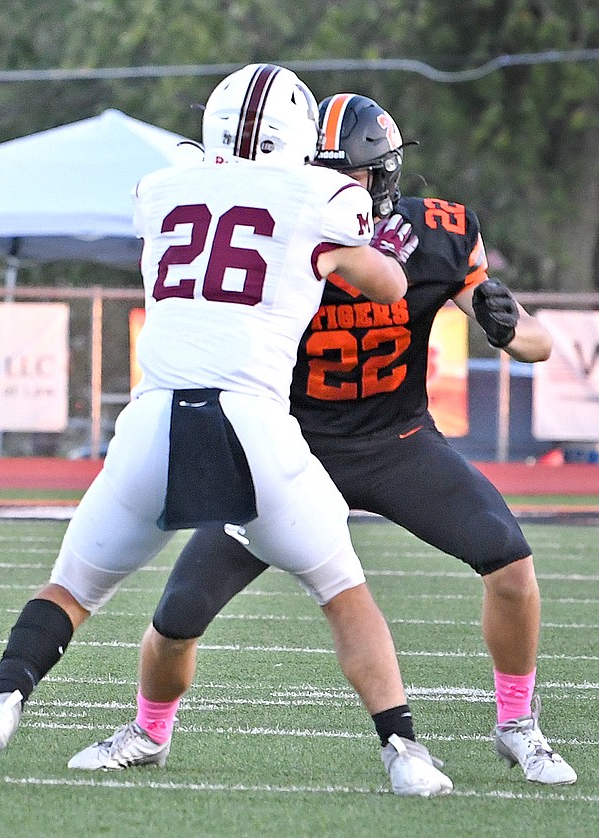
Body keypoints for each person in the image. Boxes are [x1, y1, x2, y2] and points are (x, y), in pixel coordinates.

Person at [0, 64, 452, 796]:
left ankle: (2, 700)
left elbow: (215, 195)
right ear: (297, 138)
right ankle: (404, 752)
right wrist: (387, 250)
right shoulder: (322, 196)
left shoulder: (162, 186)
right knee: (342, 592)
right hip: (253, 425)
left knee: (71, 589)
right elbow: (387, 285)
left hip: (152, 421)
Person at [71, 93, 576, 786]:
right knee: (179, 612)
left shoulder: (440, 234)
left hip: (398, 443)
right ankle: (149, 731)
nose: (342, 187)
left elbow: (537, 345)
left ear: (384, 175)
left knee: (511, 564)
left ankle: (518, 725)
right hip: (285, 446)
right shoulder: (281, 229)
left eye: (356, 175)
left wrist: (503, 323)